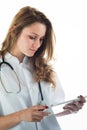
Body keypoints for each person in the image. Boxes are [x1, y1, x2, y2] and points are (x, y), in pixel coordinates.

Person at [0, 6, 86, 130]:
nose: (37, 45)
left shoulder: (43, 69)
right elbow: (24, 118)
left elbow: (45, 114)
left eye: (41, 39)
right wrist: (20, 116)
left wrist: (68, 110)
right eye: (32, 37)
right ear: (14, 31)